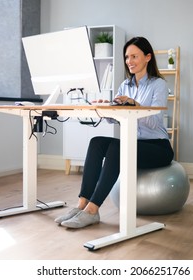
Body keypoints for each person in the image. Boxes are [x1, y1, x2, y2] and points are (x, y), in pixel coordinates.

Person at [55, 36, 174, 228]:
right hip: (134, 143)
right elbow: (118, 118)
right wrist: (107, 110)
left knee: (117, 148)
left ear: (148, 57)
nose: (129, 62)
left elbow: (155, 121)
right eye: (127, 57)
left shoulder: (158, 85)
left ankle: (93, 211)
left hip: (157, 147)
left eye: (134, 56)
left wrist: (136, 105)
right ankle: (82, 204)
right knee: (97, 142)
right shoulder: (124, 86)